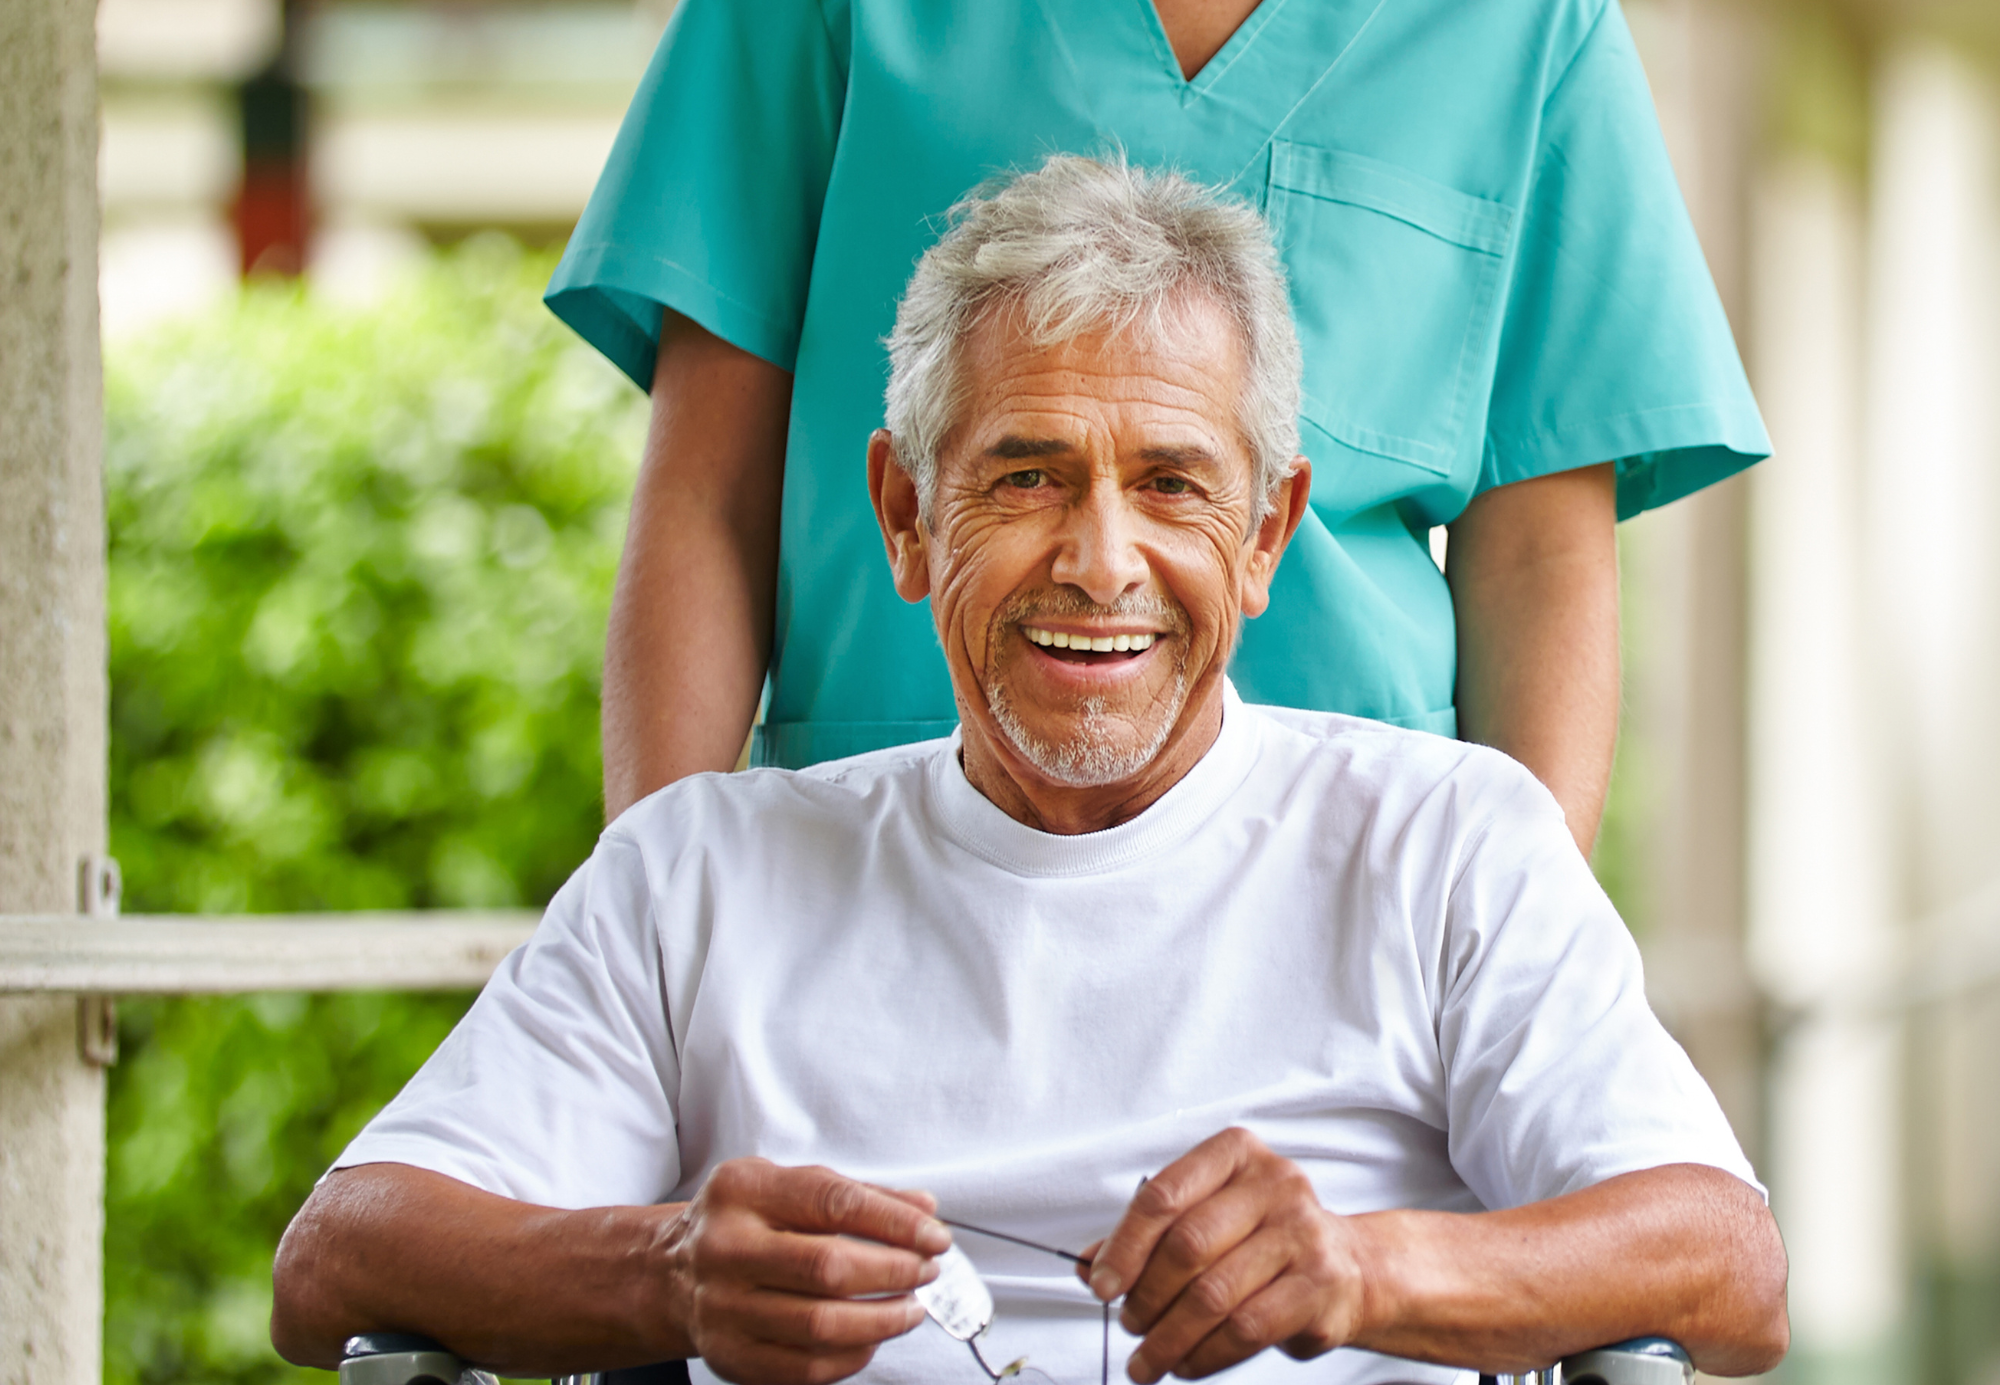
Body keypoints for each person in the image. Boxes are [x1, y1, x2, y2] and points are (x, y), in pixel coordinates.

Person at [278, 159, 1788, 1385]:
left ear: (1267, 531)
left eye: (1169, 483)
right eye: (1023, 477)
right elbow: (339, 1256)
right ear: (905, 520)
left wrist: (1375, 1273)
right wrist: (662, 1272)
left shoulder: (1441, 841)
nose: (1098, 556)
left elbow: (1727, 1263)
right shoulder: (710, 871)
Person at [546, 0, 1770, 847]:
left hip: (1345, 879)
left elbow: (1544, 549)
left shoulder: (1528, 27)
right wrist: (663, 921)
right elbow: (708, 491)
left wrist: (1514, 946)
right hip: (879, 856)